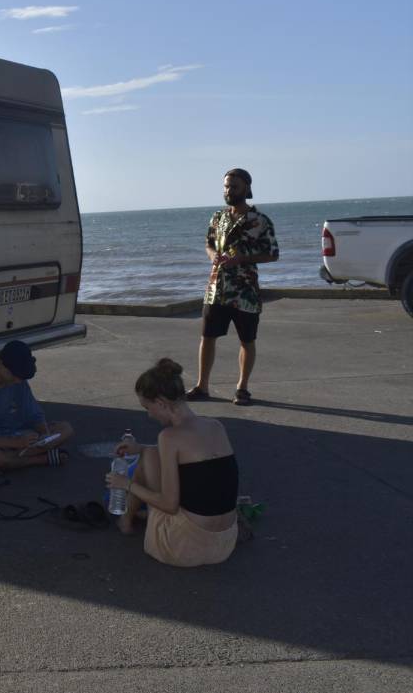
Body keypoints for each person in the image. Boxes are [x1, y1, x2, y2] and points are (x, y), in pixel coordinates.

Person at [107, 359, 239, 567]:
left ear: (161, 403)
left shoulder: (169, 437)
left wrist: (125, 484)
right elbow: (192, 456)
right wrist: (140, 448)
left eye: (147, 408)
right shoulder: (215, 426)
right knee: (150, 452)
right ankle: (129, 518)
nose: (149, 415)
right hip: (224, 543)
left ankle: (125, 519)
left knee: (150, 456)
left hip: (183, 548)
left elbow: (169, 505)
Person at [188, 168, 279, 406]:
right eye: (226, 186)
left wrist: (242, 258)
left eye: (234, 187)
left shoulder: (259, 221)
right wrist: (212, 256)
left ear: (247, 189)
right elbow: (208, 244)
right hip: (216, 289)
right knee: (207, 337)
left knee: (246, 340)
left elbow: (273, 254)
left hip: (245, 292)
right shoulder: (218, 217)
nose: (228, 191)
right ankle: (202, 386)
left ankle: (242, 388)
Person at [0, 340, 74, 470]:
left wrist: (45, 434)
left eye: (20, 377)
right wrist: (17, 443)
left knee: (66, 428)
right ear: (1, 364)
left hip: (17, 436)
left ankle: (18, 457)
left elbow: (34, 415)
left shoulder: (18, 380)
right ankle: (41, 459)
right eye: (14, 376)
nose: (18, 381)